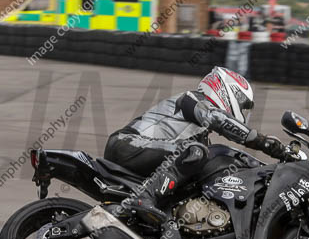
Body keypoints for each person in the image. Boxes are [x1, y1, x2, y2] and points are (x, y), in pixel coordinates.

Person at [103, 66, 285, 224]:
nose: (243, 111)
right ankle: (144, 197)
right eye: (242, 104)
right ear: (227, 91)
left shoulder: (200, 135)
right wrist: (263, 142)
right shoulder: (192, 99)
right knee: (196, 152)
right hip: (127, 144)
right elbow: (217, 119)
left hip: (143, 154)